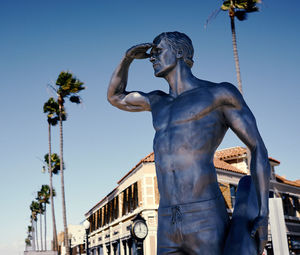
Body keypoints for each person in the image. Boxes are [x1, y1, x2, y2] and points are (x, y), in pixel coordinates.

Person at [107, 31, 270, 255]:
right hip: (166, 219)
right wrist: (127, 59)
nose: (152, 58)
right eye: (151, 54)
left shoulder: (219, 94)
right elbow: (115, 97)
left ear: (180, 52)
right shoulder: (156, 101)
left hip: (204, 215)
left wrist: (264, 212)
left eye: (159, 51)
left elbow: (257, 147)